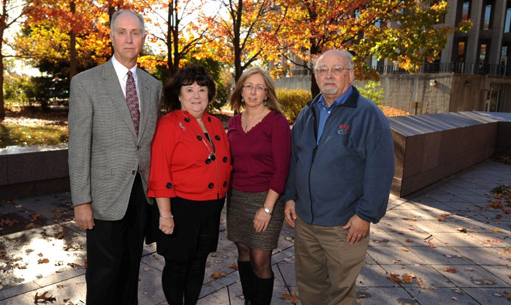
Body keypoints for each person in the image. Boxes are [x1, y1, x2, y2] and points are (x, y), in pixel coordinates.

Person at [282, 50, 395, 305]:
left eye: (337, 69)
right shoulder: (307, 112)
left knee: (340, 295)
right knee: (310, 290)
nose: (328, 75)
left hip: (343, 227)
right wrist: (290, 197)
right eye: (322, 70)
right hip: (306, 223)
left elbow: (381, 169)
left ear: (351, 75)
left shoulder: (367, 114)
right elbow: (295, 159)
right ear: (315, 76)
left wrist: (365, 215)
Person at [67, 10, 161, 305]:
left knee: (130, 272)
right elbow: (79, 146)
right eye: (122, 32)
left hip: (140, 197)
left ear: (144, 38)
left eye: (135, 33)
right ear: (111, 36)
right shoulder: (86, 83)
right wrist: (81, 201)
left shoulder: (153, 86)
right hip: (103, 198)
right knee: (103, 277)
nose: (129, 39)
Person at [148, 65, 232, 305]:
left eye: (202, 89)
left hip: (211, 208)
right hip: (181, 207)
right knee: (177, 264)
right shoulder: (169, 124)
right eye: (189, 89)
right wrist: (165, 214)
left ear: (209, 94)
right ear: (179, 94)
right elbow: (160, 170)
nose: (196, 95)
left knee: (198, 262)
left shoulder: (215, 124)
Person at [225, 67, 291, 305]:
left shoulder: (277, 122)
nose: (253, 92)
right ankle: (249, 300)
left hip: (267, 197)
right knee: (243, 252)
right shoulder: (233, 122)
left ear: (267, 93)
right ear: (241, 90)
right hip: (237, 197)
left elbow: (282, 169)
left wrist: (267, 209)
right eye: (248, 86)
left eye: (259, 87)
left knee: (260, 259)